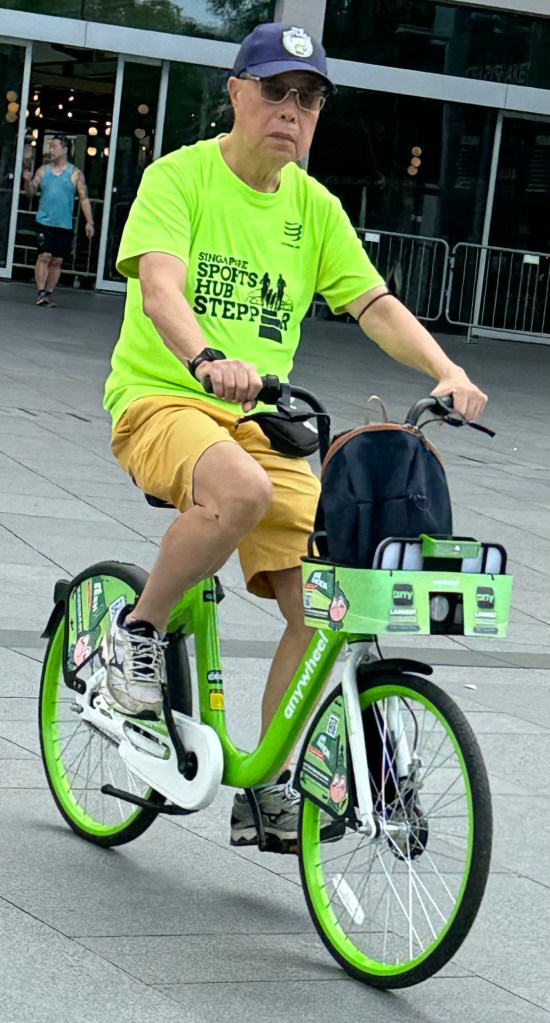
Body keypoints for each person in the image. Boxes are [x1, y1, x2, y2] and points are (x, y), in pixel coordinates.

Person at [101, 22, 487, 850]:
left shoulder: (315, 209)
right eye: (276, 90)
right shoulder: (180, 178)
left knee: (328, 598)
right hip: (162, 399)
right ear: (236, 93)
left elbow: (373, 304)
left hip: (261, 422)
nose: (291, 110)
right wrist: (205, 358)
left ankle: (267, 782)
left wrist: (445, 368)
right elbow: (161, 287)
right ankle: (135, 634)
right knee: (239, 491)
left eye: (308, 99)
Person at [22, 134, 95, 306]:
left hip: (64, 224)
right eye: (50, 147)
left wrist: (89, 222)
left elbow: (84, 199)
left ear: (65, 150)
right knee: (44, 256)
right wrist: (26, 181)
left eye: (54, 147)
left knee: (57, 260)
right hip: (44, 222)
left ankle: (48, 293)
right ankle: (40, 292)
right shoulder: (43, 171)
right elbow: (30, 192)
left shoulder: (75, 174)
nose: (51, 150)